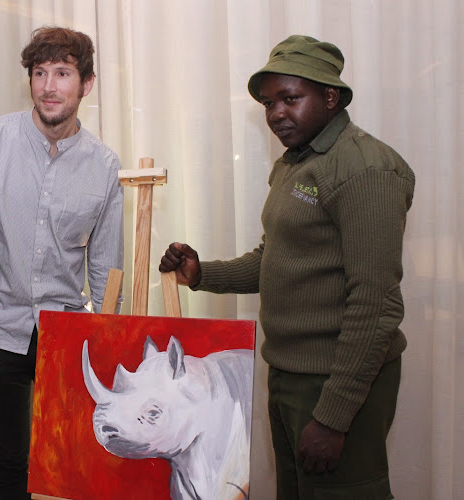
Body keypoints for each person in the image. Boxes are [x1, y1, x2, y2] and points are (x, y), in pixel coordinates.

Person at [160, 35, 414, 499]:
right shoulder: (295, 164)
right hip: (288, 376)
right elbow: (274, 258)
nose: (276, 113)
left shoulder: (365, 170)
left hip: (336, 382)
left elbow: (376, 307)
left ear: (330, 97)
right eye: (268, 102)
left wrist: (333, 417)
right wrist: (201, 274)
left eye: (290, 98)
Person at [0, 26, 124, 500]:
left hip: (65, 336)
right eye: (39, 72)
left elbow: (107, 268)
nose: (48, 85)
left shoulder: (105, 166)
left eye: (62, 73)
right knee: (9, 462)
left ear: (86, 84)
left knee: (65, 459)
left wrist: (104, 342)